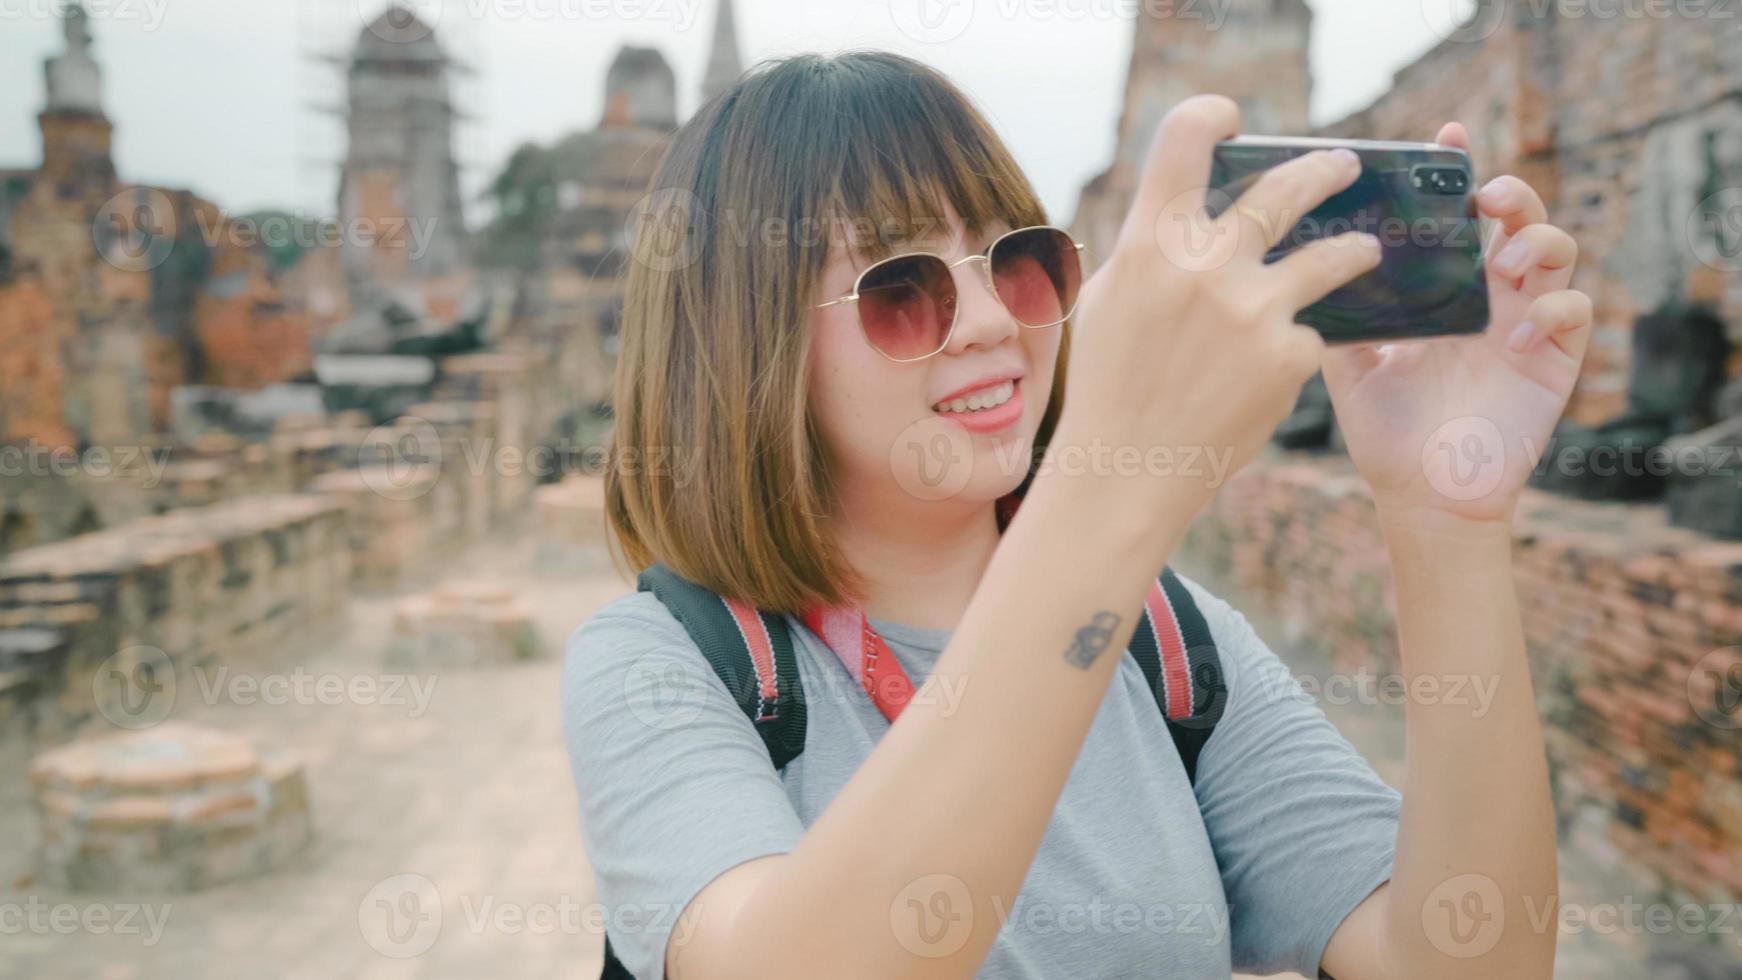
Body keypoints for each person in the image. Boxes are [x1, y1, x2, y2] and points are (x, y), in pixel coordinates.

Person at [563, 50, 1588, 980]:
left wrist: (1445, 519)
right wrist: (1115, 470)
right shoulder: (663, 663)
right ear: (747, 346)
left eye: (1017, 262)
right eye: (900, 287)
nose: (988, 322)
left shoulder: (1167, 641)